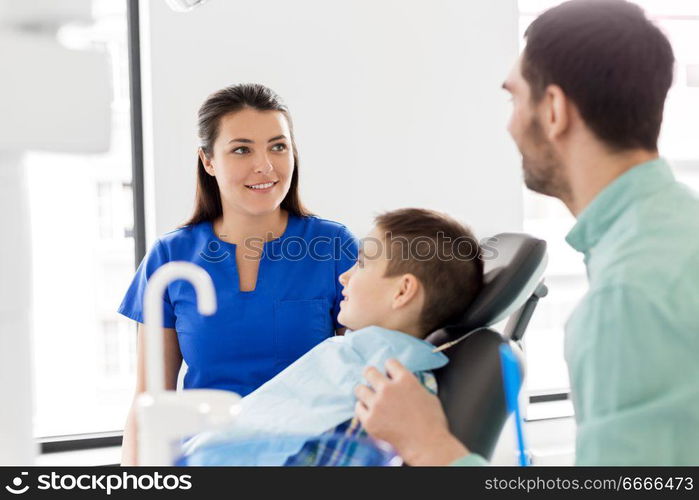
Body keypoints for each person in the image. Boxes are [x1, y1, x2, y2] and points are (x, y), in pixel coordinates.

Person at [354, 0, 699, 466]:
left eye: (514, 98)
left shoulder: (627, 300)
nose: (509, 123)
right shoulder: (675, 233)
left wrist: (428, 443)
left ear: (553, 109)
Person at [118, 83, 358, 465]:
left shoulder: (333, 246)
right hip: (206, 460)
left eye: (278, 146)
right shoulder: (171, 257)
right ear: (208, 161)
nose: (265, 165)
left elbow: (360, 380)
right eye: (242, 149)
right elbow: (149, 403)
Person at [179, 208, 483, 465]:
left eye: (362, 263)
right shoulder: (357, 356)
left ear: (402, 291)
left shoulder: (389, 390)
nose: (344, 275)